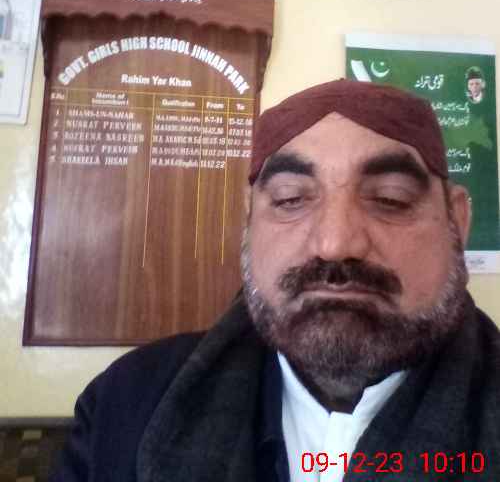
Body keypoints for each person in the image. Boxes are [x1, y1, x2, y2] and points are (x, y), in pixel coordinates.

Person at [51, 79, 500, 482]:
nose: (334, 243)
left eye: (391, 198)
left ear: (457, 222)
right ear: (248, 223)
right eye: (290, 199)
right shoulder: (125, 405)